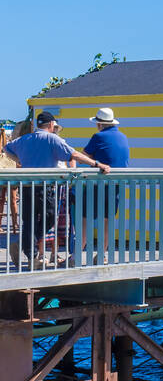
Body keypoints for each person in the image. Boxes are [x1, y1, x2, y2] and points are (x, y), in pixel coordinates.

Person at [2, 111, 109, 267]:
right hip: (45, 187)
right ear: (51, 124)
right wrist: (97, 164)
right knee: (50, 217)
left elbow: (6, 148)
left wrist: (19, 160)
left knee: (29, 220)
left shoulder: (25, 139)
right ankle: (26, 249)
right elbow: (74, 155)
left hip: (26, 186)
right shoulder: (52, 139)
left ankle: (28, 253)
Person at [82, 107, 130, 262]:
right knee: (108, 219)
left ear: (99, 124)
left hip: (99, 184)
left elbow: (84, 156)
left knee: (85, 216)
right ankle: (101, 253)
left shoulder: (98, 136)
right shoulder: (123, 137)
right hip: (116, 184)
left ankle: (77, 254)